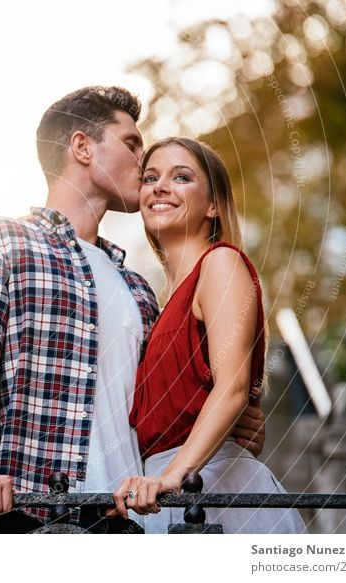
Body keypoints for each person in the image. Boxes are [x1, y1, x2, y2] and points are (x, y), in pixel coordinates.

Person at [0, 88, 266, 533]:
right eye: (131, 144)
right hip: (35, 514)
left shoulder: (139, 288)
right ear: (82, 147)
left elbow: (173, 395)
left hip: (131, 519)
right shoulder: (0, 240)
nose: (142, 160)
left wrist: (239, 422)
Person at [112, 137, 305, 534]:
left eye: (181, 176)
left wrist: (173, 475)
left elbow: (231, 388)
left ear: (214, 205)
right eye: (150, 177)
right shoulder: (157, 303)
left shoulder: (220, 263)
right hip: (166, 491)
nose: (160, 186)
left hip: (208, 487)